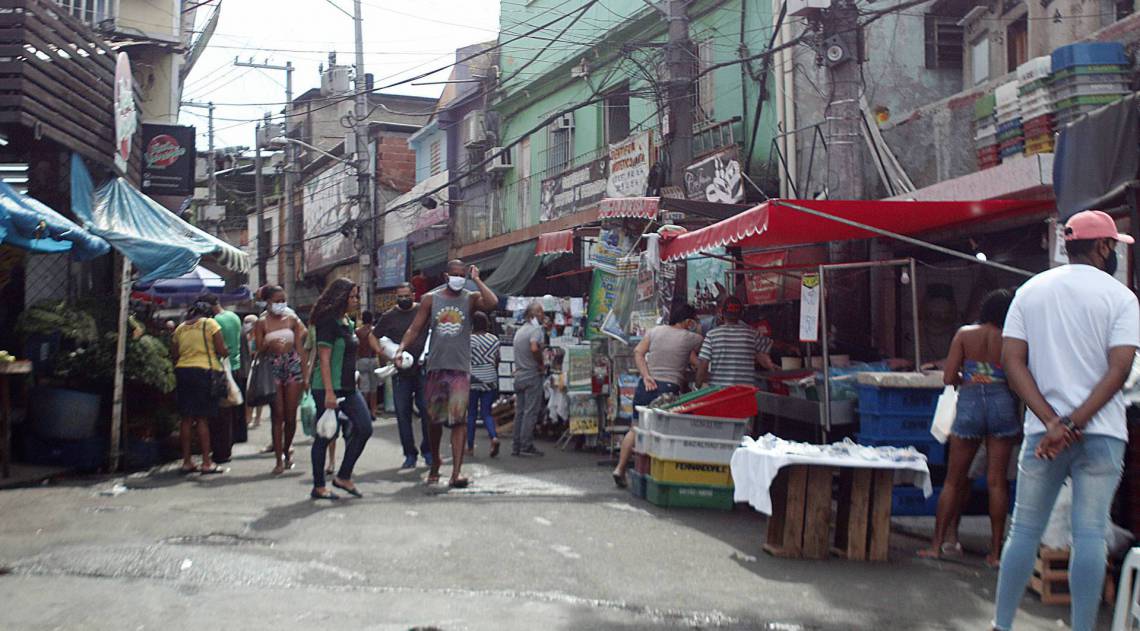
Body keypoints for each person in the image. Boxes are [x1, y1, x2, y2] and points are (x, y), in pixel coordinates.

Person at [992, 210, 1139, 631]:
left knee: (1023, 531)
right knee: (1090, 534)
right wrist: (1074, 424)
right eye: (1114, 246)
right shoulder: (1121, 298)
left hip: (1043, 435)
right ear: (1103, 246)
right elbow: (1119, 370)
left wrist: (1053, 422)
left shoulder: (1030, 291)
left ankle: (1002, 625)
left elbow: (1012, 361)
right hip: (1103, 434)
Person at [917, 289, 1018, 567]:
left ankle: (937, 545)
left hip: (971, 403)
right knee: (997, 481)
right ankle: (996, 554)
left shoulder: (964, 334)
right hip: (1002, 402)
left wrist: (972, 376)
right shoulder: (1010, 338)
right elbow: (1017, 376)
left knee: (953, 479)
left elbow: (949, 376)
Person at [395, 260, 498, 488]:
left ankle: (456, 473)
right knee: (434, 421)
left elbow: (492, 302)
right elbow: (415, 328)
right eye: (455, 274)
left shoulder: (470, 298)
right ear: (445, 276)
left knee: (459, 421)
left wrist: (478, 280)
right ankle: (435, 465)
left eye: (462, 274)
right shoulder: (431, 300)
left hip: (460, 369)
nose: (458, 278)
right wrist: (401, 348)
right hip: (435, 368)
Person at [612, 303, 703, 487]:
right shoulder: (690, 337)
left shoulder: (654, 331)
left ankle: (620, 468)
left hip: (646, 385)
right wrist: (697, 327)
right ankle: (655, 475)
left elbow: (638, 352)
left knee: (635, 428)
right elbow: (704, 347)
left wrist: (646, 376)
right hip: (668, 389)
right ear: (688, 321)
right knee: (662, 433)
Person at [309, 278, 373, 500]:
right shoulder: (328, 322)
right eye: (353, 296)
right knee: (325, 435)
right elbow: (324, 360)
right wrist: (328, 392)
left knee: (365, 428)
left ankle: (343, 476)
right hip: (328, 388)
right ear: (341, 297)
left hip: (348, 388)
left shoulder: (348, 322)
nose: (356, 300)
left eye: (357, 296)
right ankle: (318, 486)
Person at [375, 282, 432, 469]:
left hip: (423, 370)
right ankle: (410, 454)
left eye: (407, 295)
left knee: (427, 411)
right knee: (402, 413)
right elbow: (373, 336)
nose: (404, 299)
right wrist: (385, 354)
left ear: (414, 295)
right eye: (400, 296)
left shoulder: (423, 312)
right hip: (401, 373)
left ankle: (428, 450)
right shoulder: (389, 316)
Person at [253, 285, 309, 475]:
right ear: (268, 302)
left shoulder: (292, 319)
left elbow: (302, 343)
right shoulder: (261, 323)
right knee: (278, 414)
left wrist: (306, 373)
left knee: (291, 415)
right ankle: (278, 459)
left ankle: (287, 449)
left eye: (282, 300)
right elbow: (257, 349)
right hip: (272, 366)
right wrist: (270, 344)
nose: (280, 304)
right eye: (276, 300)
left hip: (292, 364)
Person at [171, 298, 229, 475]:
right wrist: (227, 351)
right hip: (204, 372)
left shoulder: (180, 328)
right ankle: (206, 462)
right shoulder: (210, 324)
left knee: (186, 419)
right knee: (202, 418)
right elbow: (221, 350)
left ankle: (187, 461)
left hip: (183, 372)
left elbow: (175, 353)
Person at [696, 296, 776, 388]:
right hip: (745, 392)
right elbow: (766, 351)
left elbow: (703, 364)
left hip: (720, 392)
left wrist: (698, 385)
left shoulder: (711, 335)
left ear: (722, 312)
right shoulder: (752, 334)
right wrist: (773, 368)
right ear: (741, 314)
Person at [200, 293, 242, 462]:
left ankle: (221, 452)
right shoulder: (234, 317)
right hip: (236, 365)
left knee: (219, 414)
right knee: (229, 413)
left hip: (220, 369)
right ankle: (228, 447)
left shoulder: (214, 322)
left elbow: (218, 347)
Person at [511, 302, 546, 457]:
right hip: (531, 374)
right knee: (530, 412)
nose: (543, 315)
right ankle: (526, 444)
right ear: (534, 314)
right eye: (541, 312)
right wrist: (540, 363)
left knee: (520, 412)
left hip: (519, 374)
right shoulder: (535, 330)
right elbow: (534, 347)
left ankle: (516, 445)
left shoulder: (520, 331)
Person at [467, 311, 501, 457]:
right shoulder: (494, 339)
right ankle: (493, 437)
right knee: (487, 412)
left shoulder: (469, 340)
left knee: (472, 414)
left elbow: (465, 359)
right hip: (490, 377)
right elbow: (497, 359)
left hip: (473, 378)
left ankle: (470, 447)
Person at [355, 311, 381, 418]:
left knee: (364, 388)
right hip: (373, 359)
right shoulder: (374, 330)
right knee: (373, 387)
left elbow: (356, 347)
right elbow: (378, 346)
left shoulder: (357, 331)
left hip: (362, 360)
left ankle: (364, 410)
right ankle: (373, 410)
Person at [242, 314, 264, 429]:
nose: (246, 324)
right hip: (247, 367)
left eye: (249, 322)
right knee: (248, 394)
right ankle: (248, 417)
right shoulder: (243, 336)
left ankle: (258, 418)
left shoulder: (258, 336)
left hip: (258, 366)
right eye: (245, 322)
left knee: (258, 394)